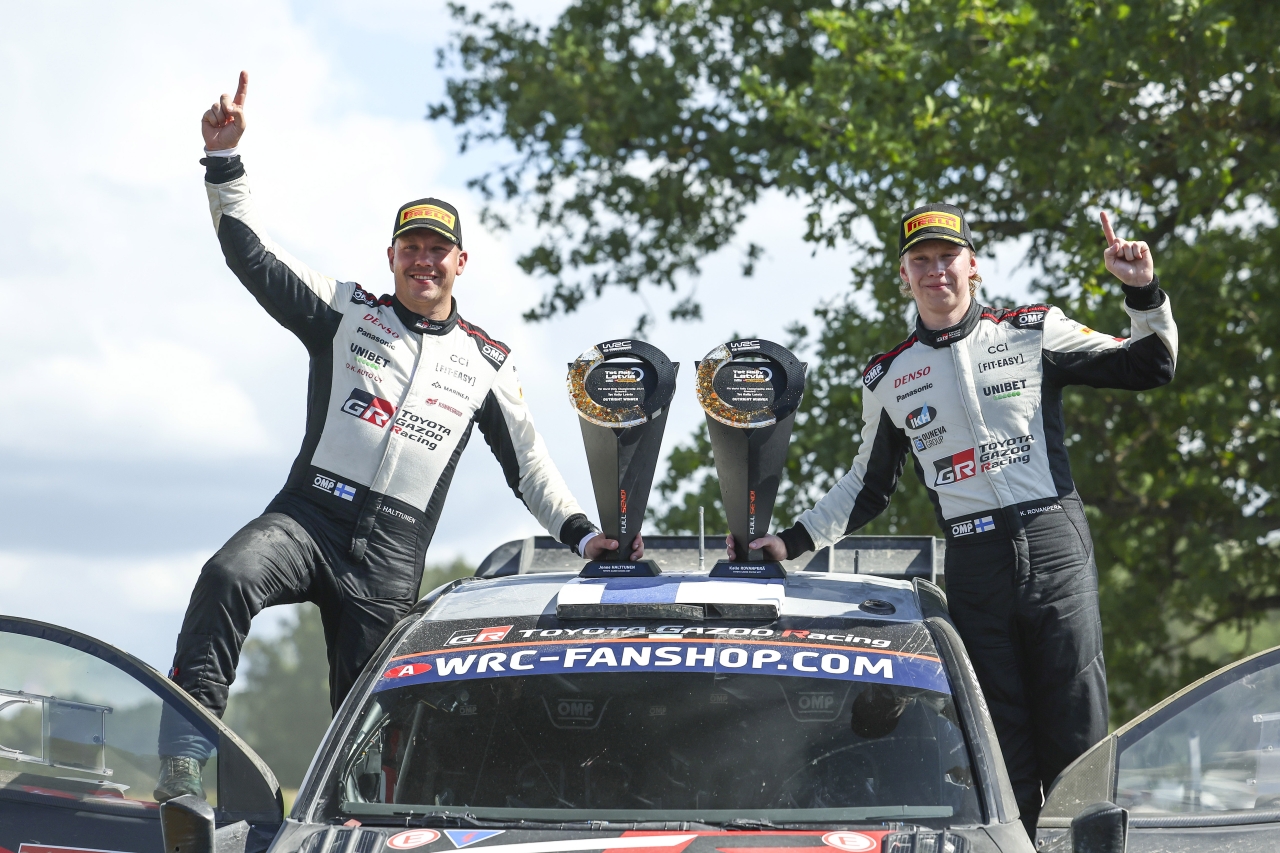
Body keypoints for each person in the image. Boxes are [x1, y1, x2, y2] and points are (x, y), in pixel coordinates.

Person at [155, 71, 642, 801]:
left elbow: (530, 466)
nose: (423, 260)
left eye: (437, 249)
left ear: (460, 263)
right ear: (391, 257)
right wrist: (224, 159)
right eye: (410, 247)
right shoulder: (346, 312)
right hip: (308, 518)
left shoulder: (487, 360)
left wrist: (583, 535)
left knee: (372, 734)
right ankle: (185, 764)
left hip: (389, 554)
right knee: (227, 575)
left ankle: (357, 828)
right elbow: (252, 253)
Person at [729, 202, 1177, 835]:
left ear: (974, 266)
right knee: (997, 746)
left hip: (1054, 542)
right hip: (974, 561)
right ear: (904, 276)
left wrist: (1142, 292)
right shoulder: (888, 376)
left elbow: (1149, 365)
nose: (936, 270)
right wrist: (790, 541)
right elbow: (867, 485)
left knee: (1077, 732)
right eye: (921, 261)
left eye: (948, 257)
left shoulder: (1032, 330)